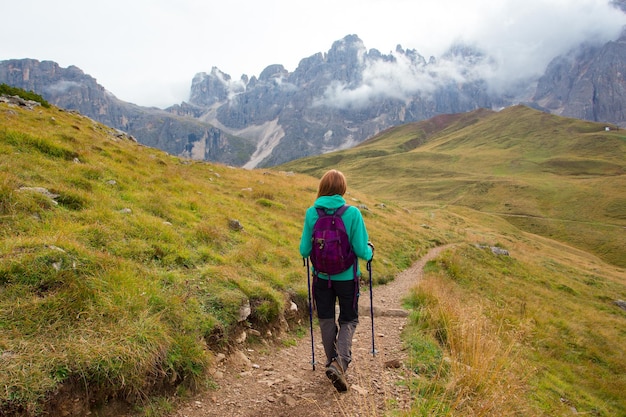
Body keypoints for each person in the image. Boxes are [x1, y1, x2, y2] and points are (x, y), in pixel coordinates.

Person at [299, 169, 374, 392]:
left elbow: (304, 249)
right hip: (347, 277)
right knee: (349, 319)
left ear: (322, 187)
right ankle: (340, 364)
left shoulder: (312, 213)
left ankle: (332, 361)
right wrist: (370, 253)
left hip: (321, 277)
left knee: (326, 319)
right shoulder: (352, 213)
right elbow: (361, 250)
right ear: (342, 189)